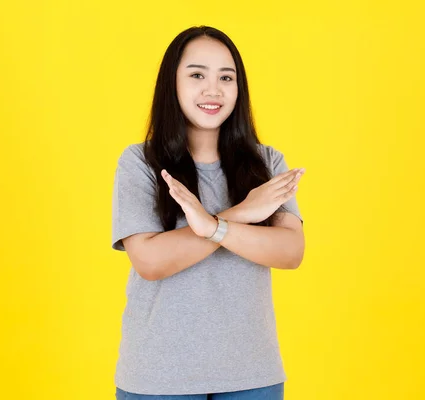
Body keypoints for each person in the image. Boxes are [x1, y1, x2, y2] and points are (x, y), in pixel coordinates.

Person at [111, 25, 305, 400]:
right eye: (197, 75)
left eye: (226, 77)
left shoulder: (267, 163)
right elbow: (150, 262)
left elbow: (290, 252)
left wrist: (213, 226)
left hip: (253, 374)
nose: (213, 90)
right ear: (173, 84)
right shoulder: (141, 162)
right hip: (159, 377)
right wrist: (243, 214)